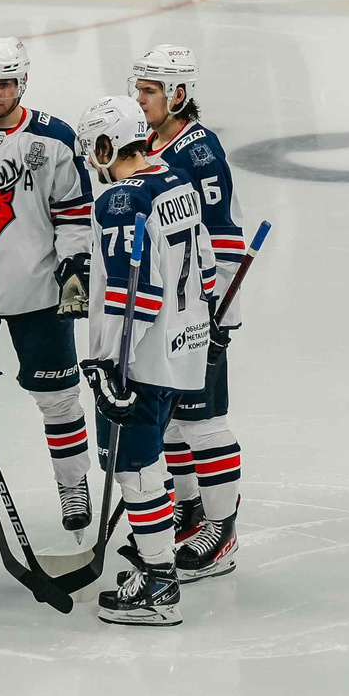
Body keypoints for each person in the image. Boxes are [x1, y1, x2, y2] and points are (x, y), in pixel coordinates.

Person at [70, 93, 216, 627]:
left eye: (94, 150)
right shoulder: (178, 183)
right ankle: (157, 569)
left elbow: (136, 295)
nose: (91, 161)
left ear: (108, 146)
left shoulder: (119, 201)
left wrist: (108, 364)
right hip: (181, 348)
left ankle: (158, 584)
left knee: (134, 467)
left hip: (142, 360)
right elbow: (204, 267)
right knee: (149, 460)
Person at [0, 37, 99, 536]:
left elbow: (75, 212)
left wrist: (75, 264)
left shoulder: (54, 138)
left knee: (60, 398)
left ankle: (73, 486)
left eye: (4, 84)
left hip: (38, 294)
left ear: (22, 82)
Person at [125, 42, 250, 584]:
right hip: (175, 310)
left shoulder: (200, 153)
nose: (140, 98)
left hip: (201, 309)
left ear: (179, 93)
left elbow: (222, 236)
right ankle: (188, 509)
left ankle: (222, 530)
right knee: (174, 415)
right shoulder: (154, 140)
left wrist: (215, 310)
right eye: (140, 88)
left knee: (204, 420)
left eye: (149, 90)